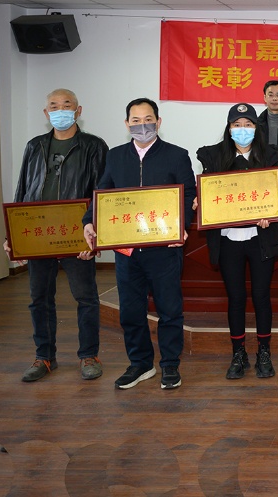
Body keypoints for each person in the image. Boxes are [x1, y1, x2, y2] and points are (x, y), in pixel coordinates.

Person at [83, 98, 196, 391]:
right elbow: (102, 193)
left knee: (169, 310)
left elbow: (188, 195)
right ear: (126, 124)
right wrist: (89, 220)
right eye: (135, 120)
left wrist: (182, 226)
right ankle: (141, 363)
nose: (142, 125)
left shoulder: (176, 155)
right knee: (131, 311)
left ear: (158, 122)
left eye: (148, 119)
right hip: (127, 251)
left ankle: (170, 365)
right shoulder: (115, 156)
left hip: (164, 250)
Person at [6, 88, 108, 382]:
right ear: (45, 112)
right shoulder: (34, 146)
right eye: (53, 105)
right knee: (39, 298)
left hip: (78, 234)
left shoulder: (93, 146)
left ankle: (89, 355)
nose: (60, 110)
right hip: (39, 235)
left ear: (78, 111)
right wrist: (13, 235)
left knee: (85, 297)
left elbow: (102, 193)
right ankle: (44, 357)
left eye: (66, 105)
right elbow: (22, 190)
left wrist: (96, 235)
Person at [196, 103, 278, 381]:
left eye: (248, 125)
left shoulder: (270, 156)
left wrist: (272, 213)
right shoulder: (213, 156)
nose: (242, 130)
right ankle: (238, 353)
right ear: (229, 128)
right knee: (235, 297)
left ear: (256, 128)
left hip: (260, 238)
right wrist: (201, 202)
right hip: (228, 240)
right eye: (237, 125)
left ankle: (264, 352)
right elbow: (207, 193)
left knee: (261, 296)